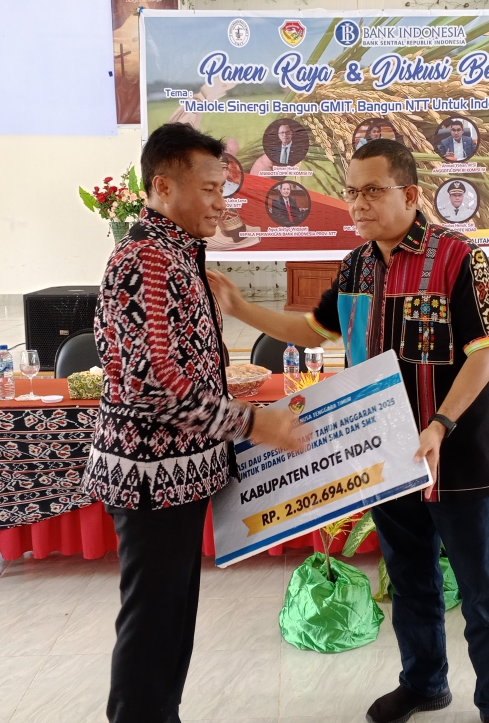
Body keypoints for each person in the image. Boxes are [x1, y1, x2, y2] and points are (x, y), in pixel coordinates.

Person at [208, 138, 489, 723]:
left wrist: (440, 424)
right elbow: (313, 330)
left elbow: (486, 354)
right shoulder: (356, 265)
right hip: (388, 455)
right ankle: (424, 683)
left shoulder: (459, 258)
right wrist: (240, 306)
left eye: (372, 191)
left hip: (458, 457)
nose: (358, 204)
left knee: (482, 592)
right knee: (409, 580)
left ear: (411, 194)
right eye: (351, 192)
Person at [82, 122, 302, 723]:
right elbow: (155, 383)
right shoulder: (146, 261)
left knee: (171, 622)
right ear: (162, 187)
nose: (220, 203)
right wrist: (255, 425)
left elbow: (185, 366)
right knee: (153, 627)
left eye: (222, 189)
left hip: (177, 476)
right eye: (208, 189)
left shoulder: (177, 254)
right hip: (151, 479)